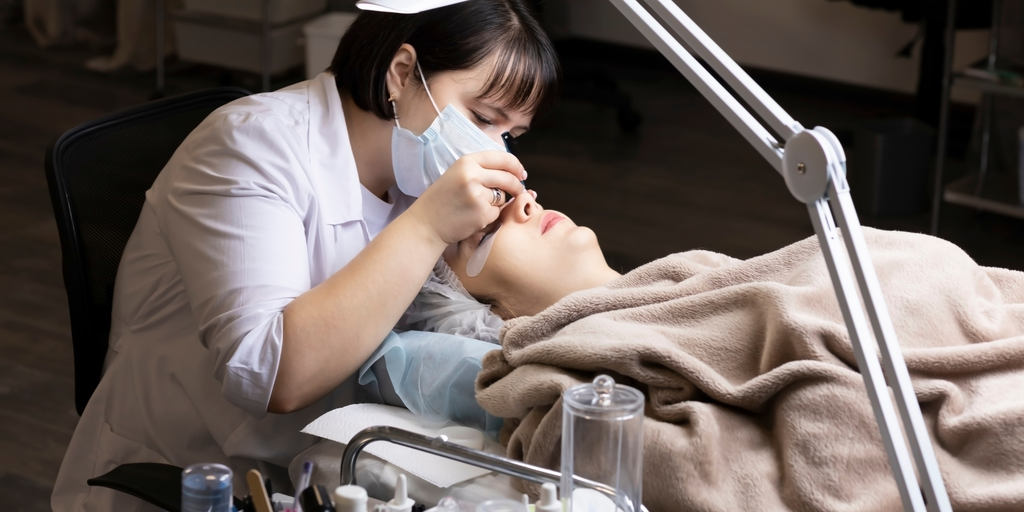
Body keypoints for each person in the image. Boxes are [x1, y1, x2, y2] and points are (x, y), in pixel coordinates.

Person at [51, 1, 560, 510]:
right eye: (483, 118)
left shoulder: (418, 174)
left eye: (510, 135)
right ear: (402, 73)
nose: (498, 152)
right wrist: (427, 225)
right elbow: (272, 376)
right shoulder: (250, 144)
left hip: (324, 458)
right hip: (193, 468)